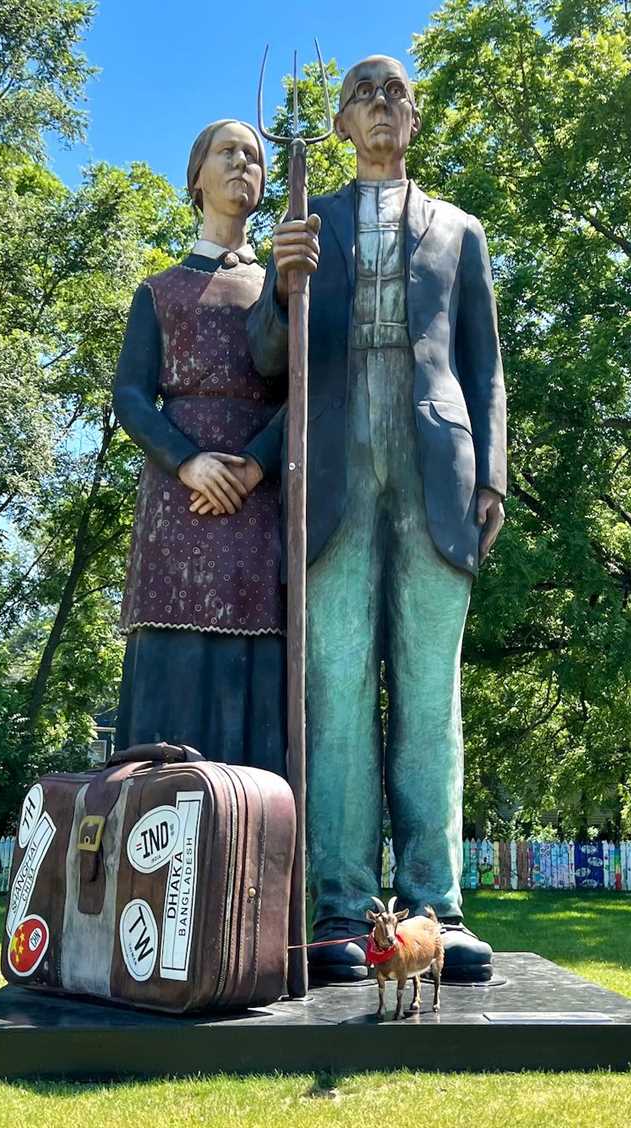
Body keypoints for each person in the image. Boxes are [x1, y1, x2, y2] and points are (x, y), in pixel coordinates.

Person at [247, 56, 507, 982]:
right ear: (341, 124)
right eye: (366, 95)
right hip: (332, 464)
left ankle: (437, 908)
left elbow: (484, 365)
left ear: (415, 119)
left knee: (432, 699)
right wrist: (283, 286)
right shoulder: (306, 228)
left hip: (436, 464)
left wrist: (495, 479)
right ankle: (340, 910)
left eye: (398, 94)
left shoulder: (460, 231)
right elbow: (270, 359)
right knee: (339, 691)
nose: (384, 107)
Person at [112, 119, 286, 775]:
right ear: (196, 177)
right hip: (175, 510)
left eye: (254, 155)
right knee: (170, 664)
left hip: (261, 503)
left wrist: (254, 464)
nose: (244, 162)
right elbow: (130, 395)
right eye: (228, 151)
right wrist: (189, 461)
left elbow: (305, 392)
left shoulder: (284, 291)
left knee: (262, 675)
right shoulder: (157, 292)